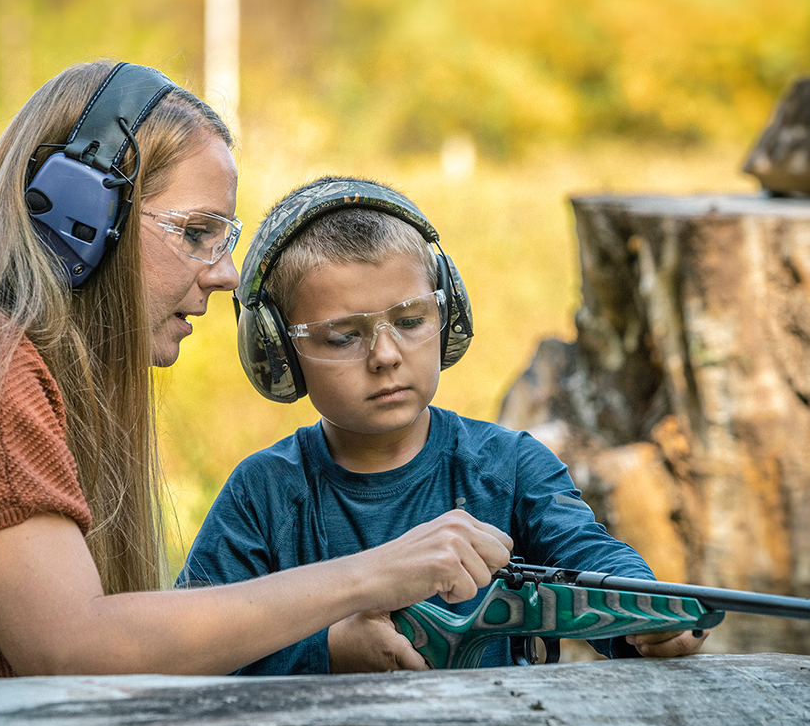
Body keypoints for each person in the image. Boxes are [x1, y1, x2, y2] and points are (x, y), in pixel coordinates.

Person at [0, 61, 514, 677]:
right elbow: (72, 649)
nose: (227, 275)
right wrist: (374, 572)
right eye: (198, 233)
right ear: (78, 215)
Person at [179, 177, 709, 674]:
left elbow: (589, 561)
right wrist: (327, 652)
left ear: (447, 315)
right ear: (278, 352)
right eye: (343, 336)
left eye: (410, 322)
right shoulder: (262, 494)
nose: (386, 355)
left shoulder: (514, 467)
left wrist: (644, 614)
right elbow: (190, 644)